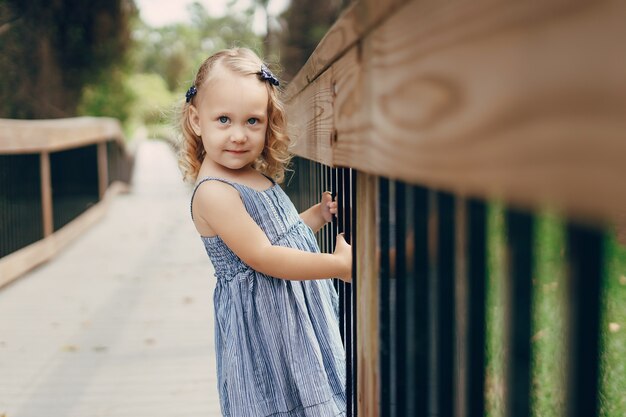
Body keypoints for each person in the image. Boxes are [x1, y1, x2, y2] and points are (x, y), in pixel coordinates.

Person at [177, 47, 351, 417]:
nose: (238, 135)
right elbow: (263, 257)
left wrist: (316, 216)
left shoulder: (249, 174)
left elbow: (279, 238)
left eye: (252, 121)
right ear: (196, 120)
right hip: (268, 331)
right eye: (223, 119)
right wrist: (337, 265)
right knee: (285, 402)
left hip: (292, 317)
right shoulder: (214, 191)